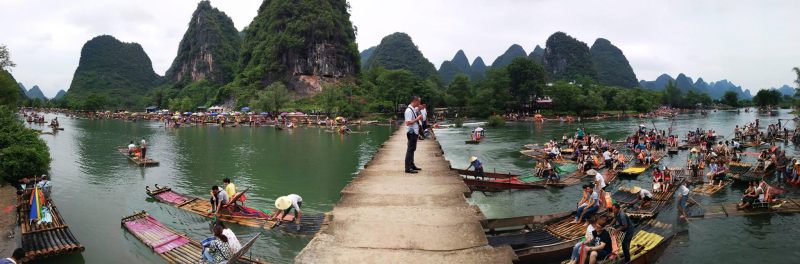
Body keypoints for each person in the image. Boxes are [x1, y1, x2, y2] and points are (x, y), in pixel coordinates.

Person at [404, 96, 423, 173]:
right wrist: (417, 119)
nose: (419, 104)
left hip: (414, 132)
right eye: (418, 102)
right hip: (411, 133)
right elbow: (408, 123)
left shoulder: (412, 109)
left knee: (412, 149)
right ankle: (408, 168)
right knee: (410, 150)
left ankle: (412, 165)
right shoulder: (408, 110)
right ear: (415, 101)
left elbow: (417, 110)